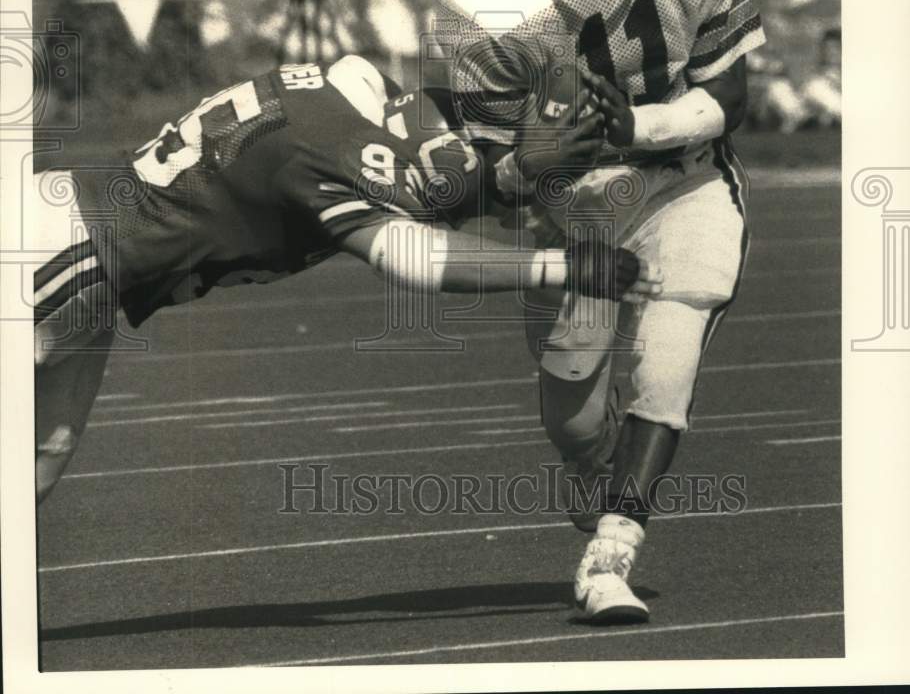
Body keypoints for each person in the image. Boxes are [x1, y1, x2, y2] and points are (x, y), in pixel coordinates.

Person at [33, 54, 661, 504]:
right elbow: (408, 254)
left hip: (81, 253)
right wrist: (567, 266)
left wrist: (528, 201)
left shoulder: (351, 93)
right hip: (65, 256)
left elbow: (444, 185)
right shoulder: (329, 158)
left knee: (40, 460)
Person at [432, 0, 765, 624]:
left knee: (669, 348)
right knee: (574, 422)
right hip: (569, 213)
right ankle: (601, 477)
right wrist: (525, 165)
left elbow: (733, 93)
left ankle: (611, 553)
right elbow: (486, 170)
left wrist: (640, 127)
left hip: (680, 178)